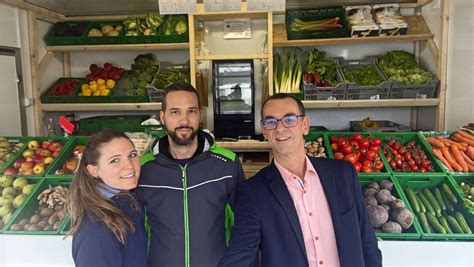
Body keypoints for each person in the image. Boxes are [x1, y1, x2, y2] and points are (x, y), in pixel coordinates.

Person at [219, 93, 382, 267]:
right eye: (271, 122)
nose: (280, 128)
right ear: (265, 131)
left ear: (305, 125)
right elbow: (239, 255)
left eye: (289, 119)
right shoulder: (253, 192)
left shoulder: (343, 175)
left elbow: (367, 243)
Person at [137, 81, 245, 267]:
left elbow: (244, 225)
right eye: (175, 112)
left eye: (191, 111)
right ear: (162, 117)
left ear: (200, 115)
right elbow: (136, 232)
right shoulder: (143, 170)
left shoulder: (227, 165)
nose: (184, 121)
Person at [69, 129, 148, 267]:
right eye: (115, 160)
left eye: (132, 155)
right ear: (94, 170)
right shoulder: (96, 229)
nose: (129, 165)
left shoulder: (128, 201)